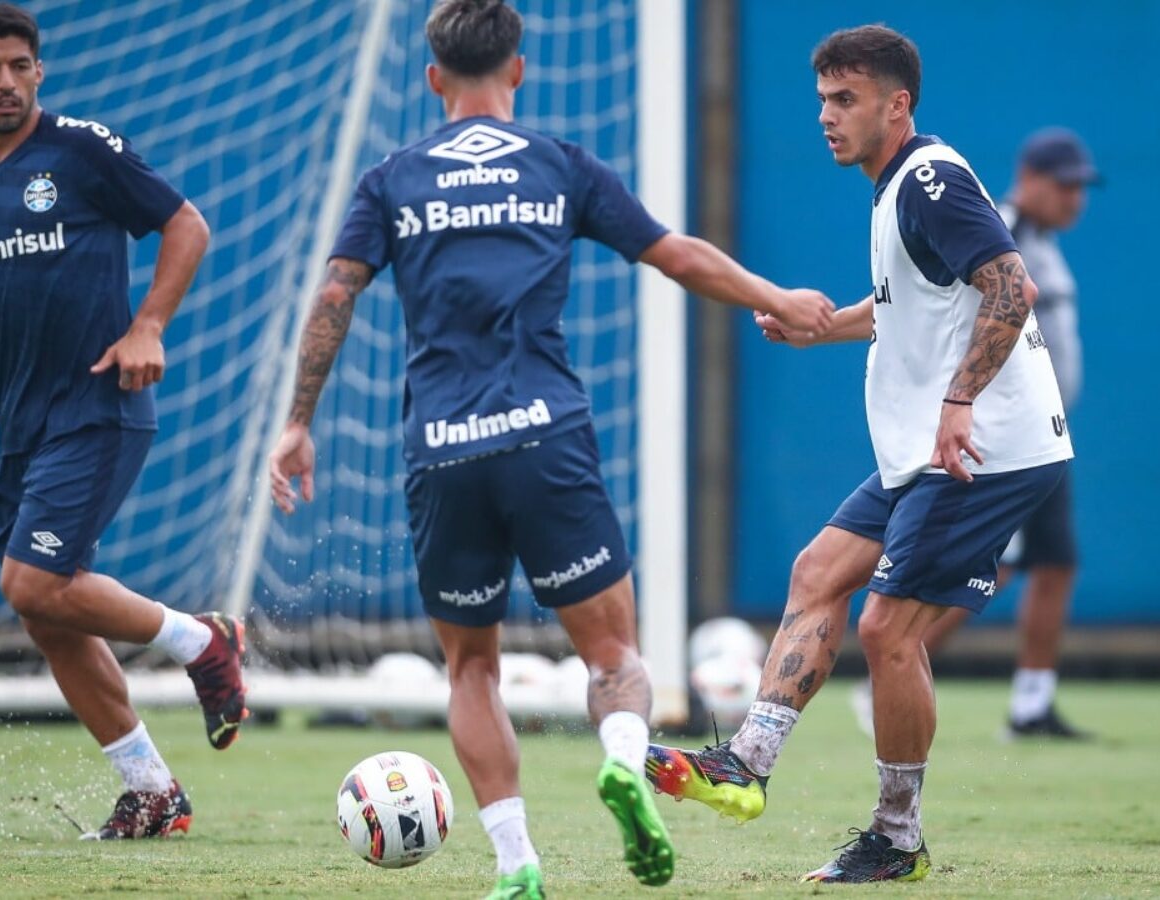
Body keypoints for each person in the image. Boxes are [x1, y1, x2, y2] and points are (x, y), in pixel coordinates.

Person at [267, 1, 833, 895]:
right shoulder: (559, 165)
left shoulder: (391, 180)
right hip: (546, 438)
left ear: (432, 79)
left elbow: (336, 297)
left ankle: (514, 860)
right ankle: (619, 755)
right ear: (520, 70)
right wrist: (782, 297)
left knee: (472, 667)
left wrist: (297, 422)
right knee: (614, 659)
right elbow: (674, 253)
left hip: (443, 449)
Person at [643, 24, 1073, 884]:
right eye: (821, 102)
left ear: (896, 104)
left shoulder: (931, 181)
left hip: (984, 449)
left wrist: (958, 404)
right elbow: (916, 305)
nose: (827, 118)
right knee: (818, 570)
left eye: (845, 101)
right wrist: (825, 329)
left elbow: (1009, 288)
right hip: (931, 444)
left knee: (886, 631)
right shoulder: (896, 189)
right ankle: (748, 764)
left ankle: (896, 837)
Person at [0, 3, 246, 840]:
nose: (6, 81)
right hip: (25, 427)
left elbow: (186, 225)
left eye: (20, 65)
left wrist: (148, 326)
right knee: (46, 614)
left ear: (40, 72)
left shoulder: (82, 150)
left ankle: (202, 641)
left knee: (30, 583)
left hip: (97, 406)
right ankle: (152, 791)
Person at [908, 129, 1098, 739]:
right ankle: (899, 667)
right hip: (1002, 432)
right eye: (1066, 185)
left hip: (1046, 434)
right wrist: (964, 404)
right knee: (992, 568)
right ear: (1032, 177)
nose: (1076, 199)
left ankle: (1031, 704)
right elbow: (962, 313)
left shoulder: (1044, 238)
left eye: (1081, 187)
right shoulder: (1003, 228)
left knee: (1055, 561)